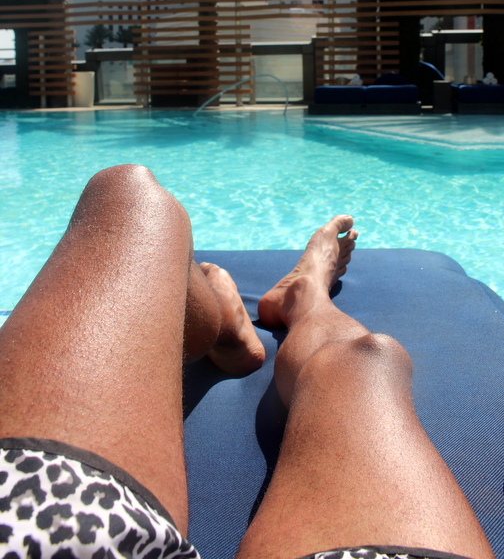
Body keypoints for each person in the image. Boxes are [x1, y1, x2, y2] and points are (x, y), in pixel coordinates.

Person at [0, 165, 495, 559]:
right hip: (53, 521)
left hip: (30, 510)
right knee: (366, 361)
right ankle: (303, 298)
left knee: (127, 193)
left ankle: (222, 321)